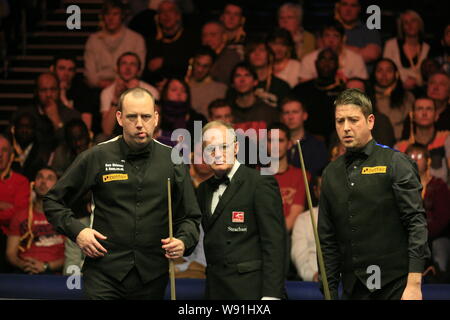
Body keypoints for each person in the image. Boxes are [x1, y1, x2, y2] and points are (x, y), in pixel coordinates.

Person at [43, 87, 201, 299]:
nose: (139, 123)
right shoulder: (97, 156)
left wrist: (183, 241)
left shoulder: (173, 160)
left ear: (155, 118)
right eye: (131, 116)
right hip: (103, 275)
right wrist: (78, 232)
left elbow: (190, 217)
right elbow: (52, 201)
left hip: (152, 277)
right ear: (119, 118)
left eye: (145, 116)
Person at [318, 88, 430, 300]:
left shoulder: (396, 162)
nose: (346, 128)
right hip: (353, 290)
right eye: (340, 121)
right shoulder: (331, 173)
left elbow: (416, 223)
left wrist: (414, 283)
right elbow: (327, 240)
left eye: (353, 120)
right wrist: (329, 292)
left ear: (370, 121)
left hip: (394, 286)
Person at [197, 120, 287, 299]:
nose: (218, 154)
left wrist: (272, 295)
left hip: (251, 290)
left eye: (224, 146)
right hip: (215, 290)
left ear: (236, 148)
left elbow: (275, 243)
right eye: (210, 149)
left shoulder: (260, 183)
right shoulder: (202, 189)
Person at [6, 167, 65, 274]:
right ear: (33, 184)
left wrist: (46, 266)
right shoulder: (20, 216)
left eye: (49, 178)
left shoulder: (65, 217)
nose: (43, 182)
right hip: (25, 273)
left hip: (55, 276)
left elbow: (72, 254)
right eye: (40, 177)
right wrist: (22, 264)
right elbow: (11, 253)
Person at [405, 144, 450, 282]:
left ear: (428, 160)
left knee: (440, 247)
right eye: (410, 157)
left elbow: (443, 218)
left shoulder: (439, 185)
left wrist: (421, 233)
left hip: (435, 237)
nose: (414, 160)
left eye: (418, 157)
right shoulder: (401, 187)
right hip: (408, 238)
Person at [84, 0, 146, 89]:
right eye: (107, 14)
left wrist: (123, 84)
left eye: (115, 14)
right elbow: (90, 73)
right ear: (103, 17)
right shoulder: (93, 40)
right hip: (98, 89)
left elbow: (139, 69)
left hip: (129, 87)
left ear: (122, 16)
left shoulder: (136, 39)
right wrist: (108, 85)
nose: (111, 18)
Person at [100, 52, 159, 140]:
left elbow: (154, 126)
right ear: (117, 68)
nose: (128, 68)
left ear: (139, 70)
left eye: (133, 64)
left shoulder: (151, 91)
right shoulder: (107, 92)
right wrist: (116, 98)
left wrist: (137, 94)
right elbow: (107, 130)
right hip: (117, 137)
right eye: (124, 63)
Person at [293, 48, 346, 144]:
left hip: (337, 141)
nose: (326, 63)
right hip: (304, 140)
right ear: (316, 63)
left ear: (338, 65)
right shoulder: (301, 90)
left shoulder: (344, 91)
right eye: (323, 59)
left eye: (331, 60)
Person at [395, 97, 449, 184]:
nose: (424, 113)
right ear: (412, 116)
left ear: (436, 116)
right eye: (420, 109)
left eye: (429, 109)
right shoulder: (401, 147)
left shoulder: (446, 139)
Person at [144, 0, 199, 84]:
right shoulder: (152, 42)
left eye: (170, 10)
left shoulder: (191, 38)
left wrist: (165, 62)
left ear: (178, 15)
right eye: (162, 12)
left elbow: (192, 63)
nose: (166, 15)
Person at [266, 123, 307, 232]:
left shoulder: (301, 175)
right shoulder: (256, 175)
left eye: (280, 141)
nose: (275, 146)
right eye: (271, 141)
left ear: (289, 144)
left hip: (288, 239)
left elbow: (294, 215)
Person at [299, 20, 368, 83]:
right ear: (321, 38)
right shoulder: (308, 60)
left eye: (336, 36)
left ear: (343, 39)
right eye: (327, 35)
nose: (331, 40)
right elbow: (305, 87)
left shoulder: (356, 59)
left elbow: (360, 87)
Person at [25, 73, 81, 149]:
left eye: (53, 89)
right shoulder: (26, 115)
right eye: (43, 90)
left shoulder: (72, 116)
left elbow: (73, 146)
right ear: (36, 92)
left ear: (59, 91)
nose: (49, 95)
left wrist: (57, 122)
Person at [0, 134, 31, 273]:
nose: (0, 154)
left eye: (4, 150)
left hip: (8, 239)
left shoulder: (21, 182)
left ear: (11, 156)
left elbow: (18, 216)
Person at [280, 97, 328, 179]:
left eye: (295, 112)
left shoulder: (317, 145)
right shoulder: (274, 144)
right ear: (281, 118)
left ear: (305, 116)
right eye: (286, 113)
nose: (290, 117)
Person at [50, 55, 99, 134]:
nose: (66, 73)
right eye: (62, 68)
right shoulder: (46, 90)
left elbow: (86, 127)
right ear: (52, 69)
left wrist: (63, 97)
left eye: (70, 70)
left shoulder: (82, 91)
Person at [383, 10, 430, 91]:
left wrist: (417, 81)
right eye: (405, 22)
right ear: (402, 27)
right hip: (395, 89)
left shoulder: (427, 48)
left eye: (413, 21)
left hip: (420, 90)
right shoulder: (391, 45)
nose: (410, 25)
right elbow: (386, 69)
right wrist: (403, 81)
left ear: (419, 24)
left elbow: (428, 74)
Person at [228, 62, 280, 133]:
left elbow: (276, 142)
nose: (242, 80)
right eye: (237, 76)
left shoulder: (269, 112)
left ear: (255, 82)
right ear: (232, 83)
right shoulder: (226, 112)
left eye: (247, 75)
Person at [371, 58, 415, 141]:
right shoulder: (367, 96)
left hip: (401, 143)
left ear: (396, 74)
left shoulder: (407, 97)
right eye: (380, 71)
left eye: (389, 71)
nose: (384, 74)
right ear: (374, 74)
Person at [334, 0, 382, 72]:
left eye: (353, 5)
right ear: (338, 7)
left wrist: (339, 48)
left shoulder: (369, 30)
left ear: (359, 9)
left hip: (361, 80)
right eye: (344, 4)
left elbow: (372, 55)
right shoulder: (329, 29)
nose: (348, 9)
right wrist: (358, 50)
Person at [291, 174, 322, 282]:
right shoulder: (304, 220)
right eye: (323, 188)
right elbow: (299, 255)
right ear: (316, 191)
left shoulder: (349, 217)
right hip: (313, 284)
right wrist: (312, 275)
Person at [244, 39, 291, 108]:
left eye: (262, 50)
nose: (257, 54)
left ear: (270, 56)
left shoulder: (281, 86)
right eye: (252, 51)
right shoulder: (241, 84)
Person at [185, 46, 227, 118]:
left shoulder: (220, 89)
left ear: (212, 67)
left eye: (205, 66)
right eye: (198, 64)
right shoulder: (182, 87)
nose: (200, 70)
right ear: (192, 62)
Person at [9, 112, 52, 181]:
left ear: (35, 130)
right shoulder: (7, 148)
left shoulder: (42, 151)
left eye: (28, 127)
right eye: (21, 126)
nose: (24, 130)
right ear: (14, 129)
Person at [201, 20, 241, 85]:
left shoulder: (231, 56)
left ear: (224, 37)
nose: (207, 39)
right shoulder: (200, 56)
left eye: (213, 35)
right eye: (204, 35)